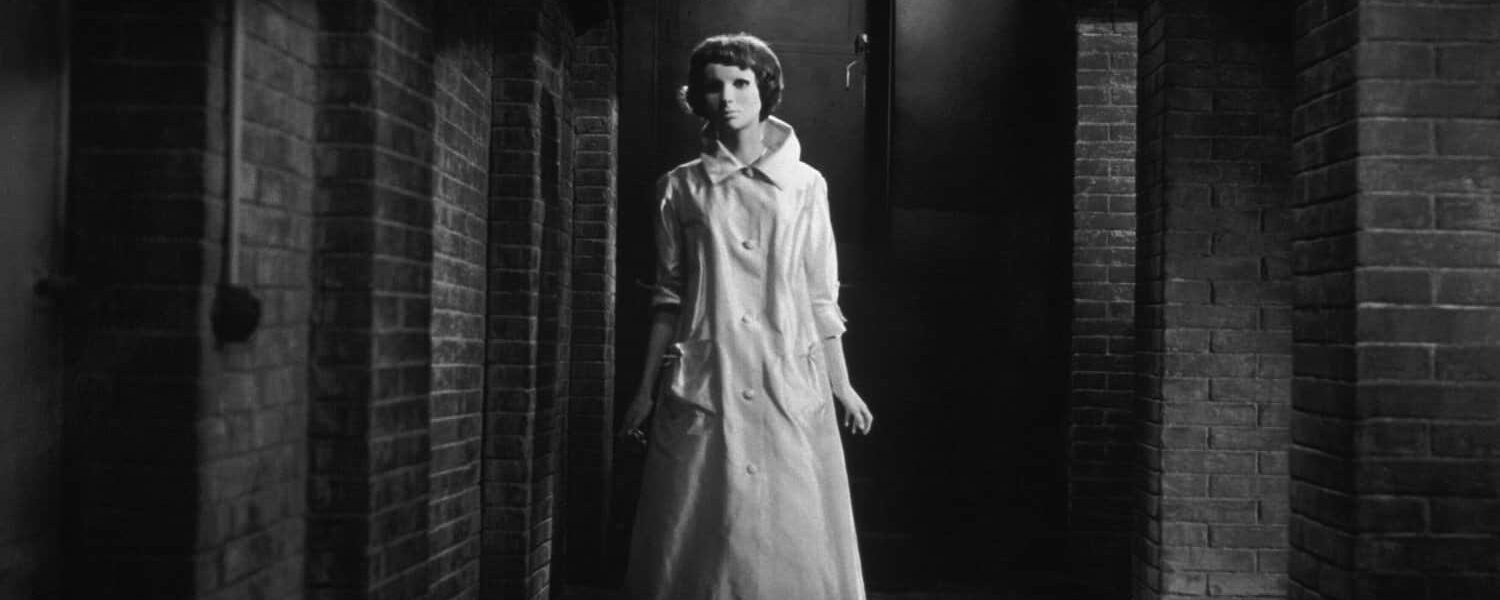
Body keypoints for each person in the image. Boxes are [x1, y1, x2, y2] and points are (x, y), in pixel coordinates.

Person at [617, 32, 875, 600]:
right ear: (698, 98)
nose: (727, 97)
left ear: (765, 91)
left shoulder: (806, 186)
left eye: (740, 83)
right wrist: (644, 389)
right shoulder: (678, 188)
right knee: (700, 529)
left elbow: (820, 296)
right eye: (713, 86)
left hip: (787, 372)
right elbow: (668, 296)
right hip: (709, 376)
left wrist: (843, 384)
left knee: (794, 526)